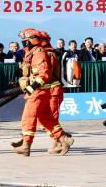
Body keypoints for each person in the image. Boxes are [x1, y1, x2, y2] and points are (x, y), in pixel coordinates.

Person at [12, 28, 73, 157]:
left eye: (24, 41)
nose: (23, 44)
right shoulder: (33, 53)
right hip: (43, 90)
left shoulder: (41, 53)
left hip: (40, 91)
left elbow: (43, 74)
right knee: (46, 119)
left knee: (28, 117)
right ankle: (64, 139)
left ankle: (26, 146)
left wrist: (32, 87)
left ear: (31, 41)